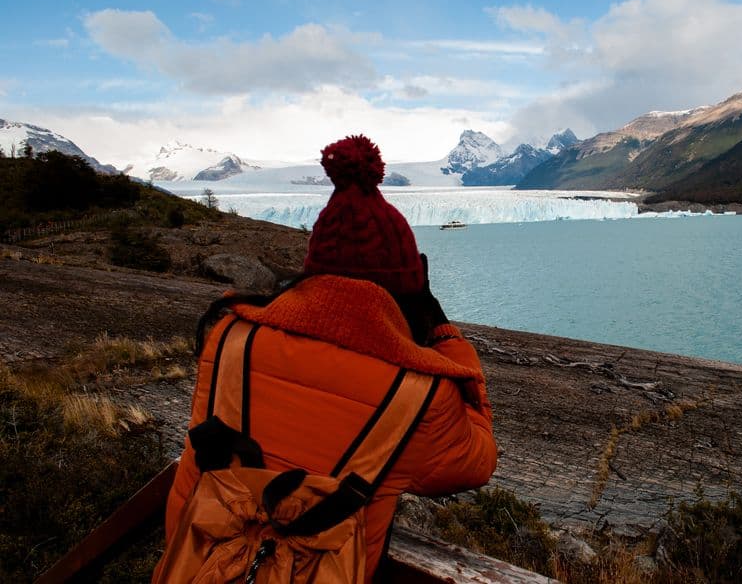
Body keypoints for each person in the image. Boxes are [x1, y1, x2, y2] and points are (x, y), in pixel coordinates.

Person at [159, 134, 497, 583]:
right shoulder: (419, 396)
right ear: (409, 286)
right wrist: (443, 332)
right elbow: (477, 461)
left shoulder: (229, 338)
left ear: (313, 268)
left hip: (195, 568)